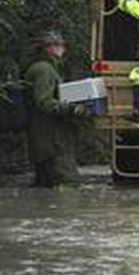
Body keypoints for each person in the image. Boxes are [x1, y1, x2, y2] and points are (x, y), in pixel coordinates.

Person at [23, 29, 84, 186]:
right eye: (60, 45)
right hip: (52, 140)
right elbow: (44, 101)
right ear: (49, 47)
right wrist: (69, 109)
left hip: (48, 138)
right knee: (68, 183)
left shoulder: (48, 68)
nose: (63, 48)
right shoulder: (44, 70)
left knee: (46, 186)